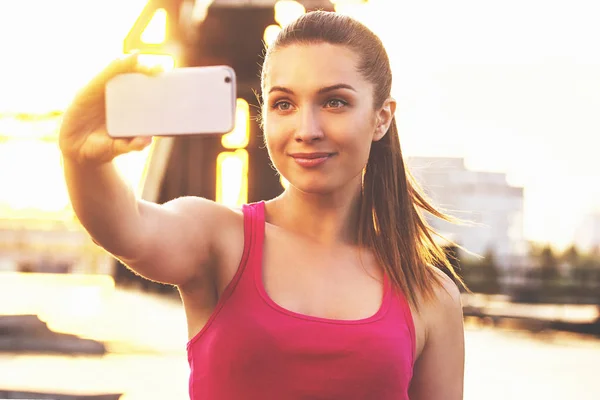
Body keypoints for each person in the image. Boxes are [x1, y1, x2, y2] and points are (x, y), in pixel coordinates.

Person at [59, 10, 465, 400]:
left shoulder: (431, 296)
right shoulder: (218, 238)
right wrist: (81, 160)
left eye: (335, 102)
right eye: (284, 104)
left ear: (381, 118)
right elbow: (126, 229)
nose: (306, 130)